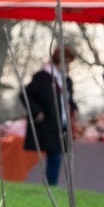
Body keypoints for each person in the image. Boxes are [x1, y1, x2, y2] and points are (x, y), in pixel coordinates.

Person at [23, 44, 72, 186]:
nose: (68, 66)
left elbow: (69, 99)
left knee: (56, 156)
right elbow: (26, 94)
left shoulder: (66, 80)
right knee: (54, 155)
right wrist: (36, 112)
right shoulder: (42, 77)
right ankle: (51, 186)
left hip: (61, 124)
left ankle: (51, 185)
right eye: (66, 62)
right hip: (48, 124)